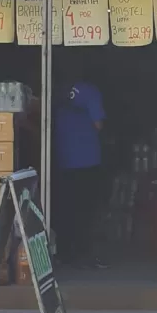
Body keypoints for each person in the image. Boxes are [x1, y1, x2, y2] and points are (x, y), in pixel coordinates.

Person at [52, 74, 108, 270]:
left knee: (65, 208)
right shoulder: (89, 91)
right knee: (87, 209)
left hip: (63, 159)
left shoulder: (56, 91)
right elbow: (98, 124)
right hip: (87, 159)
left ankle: (65, 253)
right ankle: (85, 254)